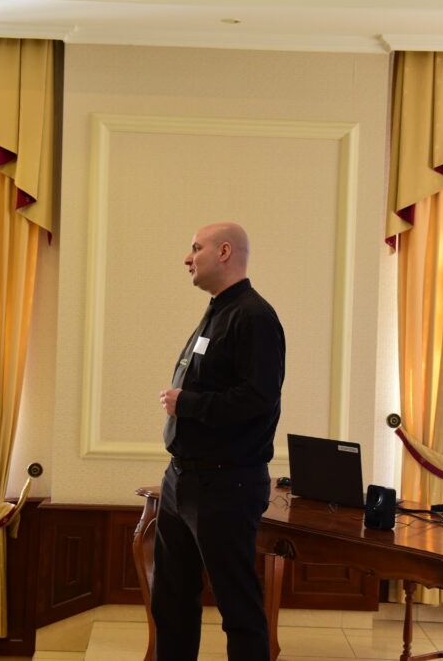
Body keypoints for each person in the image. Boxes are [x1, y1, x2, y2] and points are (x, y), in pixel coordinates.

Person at [152, 222, 286, 661]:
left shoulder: (254, 317)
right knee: (171, 600)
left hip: (226, 485)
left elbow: (259, 400)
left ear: (224, 252)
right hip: (181, 481)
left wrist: (188, 403)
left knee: (238, 607)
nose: (187, 258)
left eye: (196, 248)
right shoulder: (217, 312)